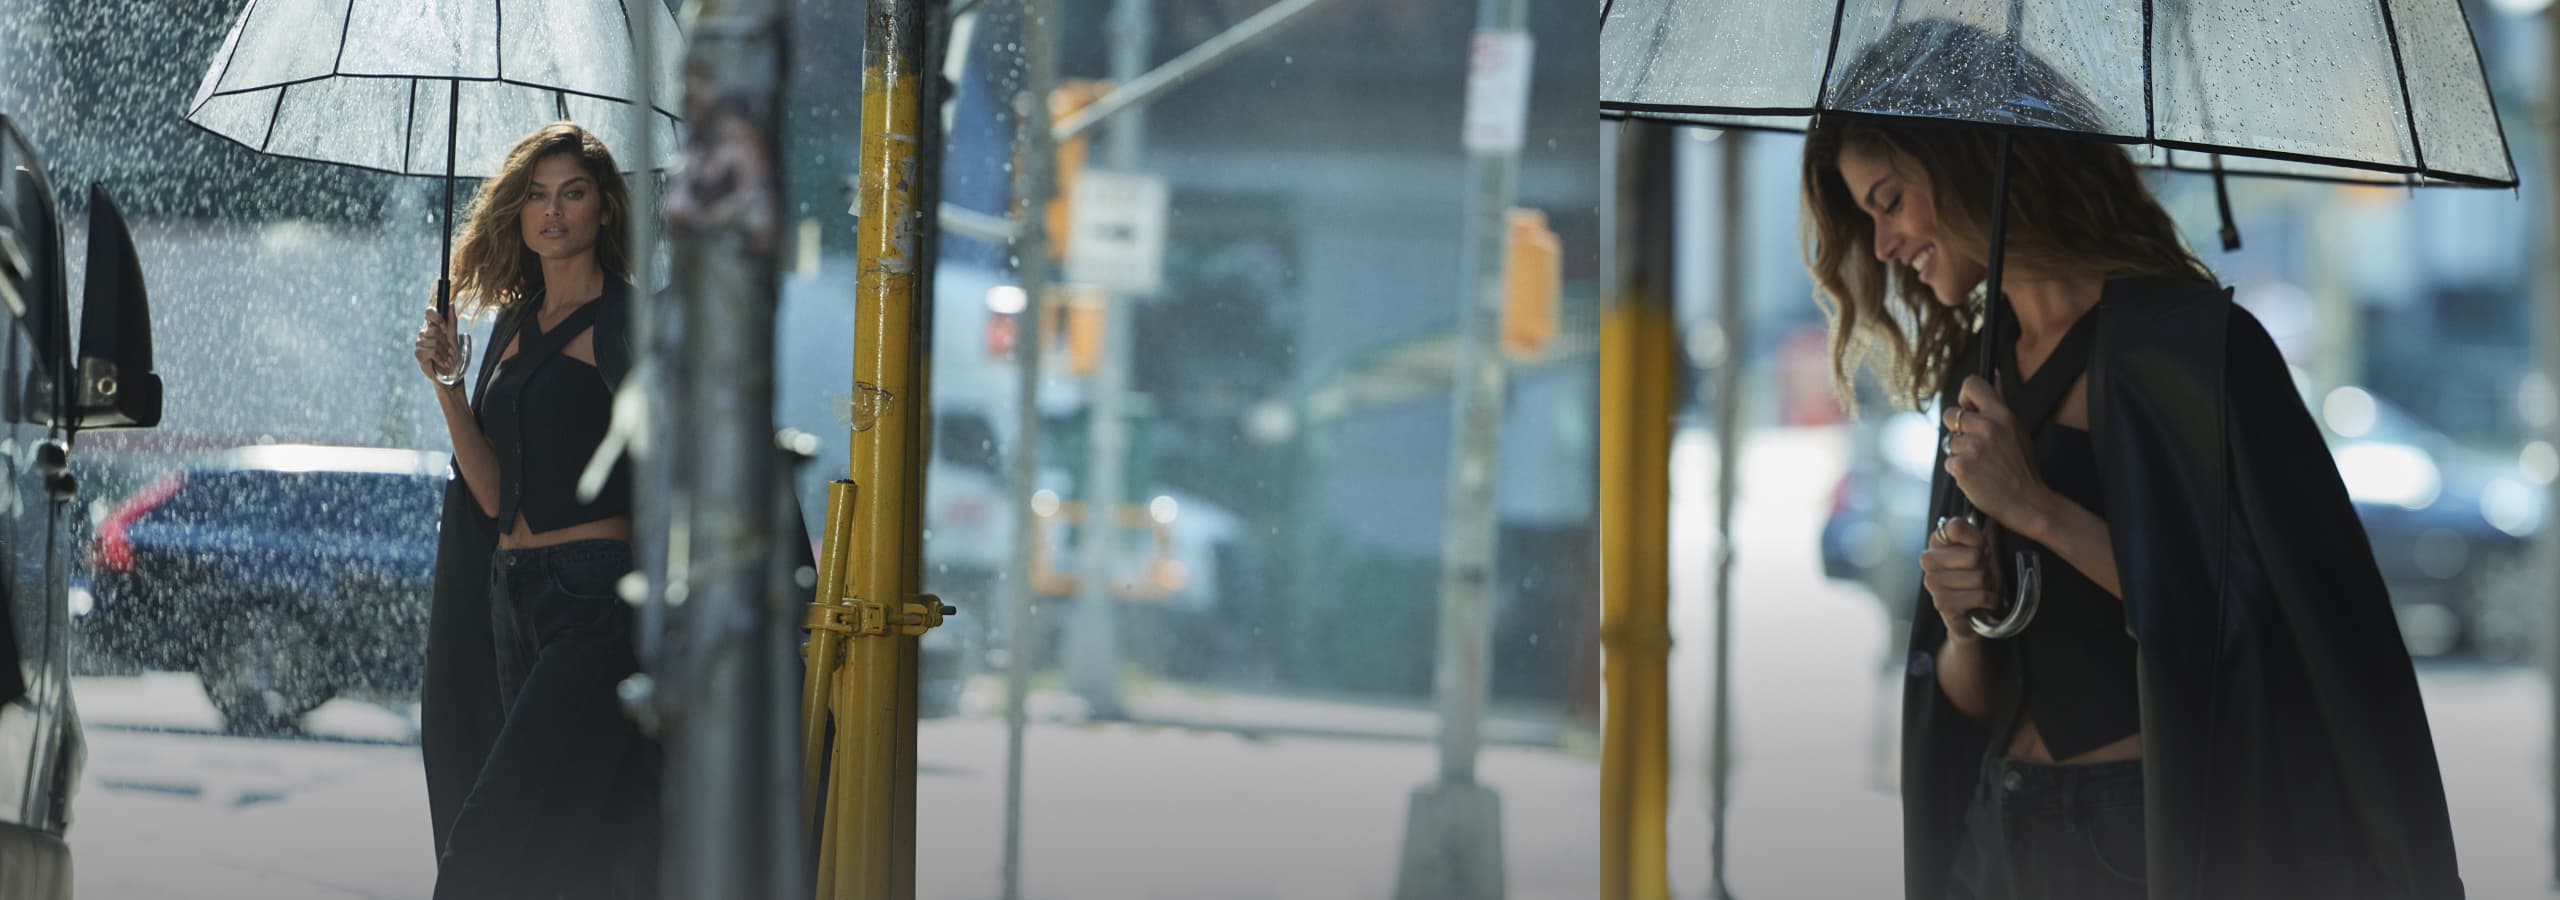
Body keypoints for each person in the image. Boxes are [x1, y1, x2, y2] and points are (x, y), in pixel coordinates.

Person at [1799, 20, 2464, 900]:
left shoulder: (2199, 352)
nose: (1881, 245)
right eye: (1866, 217)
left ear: (1968, 163)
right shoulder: (1980, 374)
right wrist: (1964, 621)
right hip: (1994, 832)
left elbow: (2266, 629)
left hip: (2145, 836)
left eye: (1888, 200)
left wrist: (2041, 512)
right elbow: (1961, 696)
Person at [413, 121, 657, 900]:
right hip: (510, 595)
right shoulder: (513, 325)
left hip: (593, 601)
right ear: (517, 213)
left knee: (487, 839)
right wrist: (450, 386)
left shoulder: (631, 322)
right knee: (562, 849)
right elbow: (491, 494)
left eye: (573, 194)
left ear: (605, 210)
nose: (553, 212)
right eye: (537, 196)